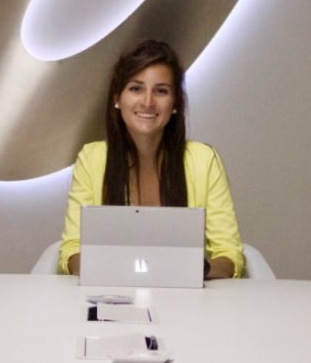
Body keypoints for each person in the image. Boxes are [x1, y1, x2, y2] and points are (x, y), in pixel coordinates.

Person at [58, 39, 244, 278]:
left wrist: (189, 273)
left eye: (161, 91)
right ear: (117, 98)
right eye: (136, 88)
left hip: (186, 302)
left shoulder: (204, 160)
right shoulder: (92, 159)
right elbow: (72, 250)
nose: (147, 102)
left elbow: (229, 254)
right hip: (108, 297)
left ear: (175, 103)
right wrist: (116, 273)